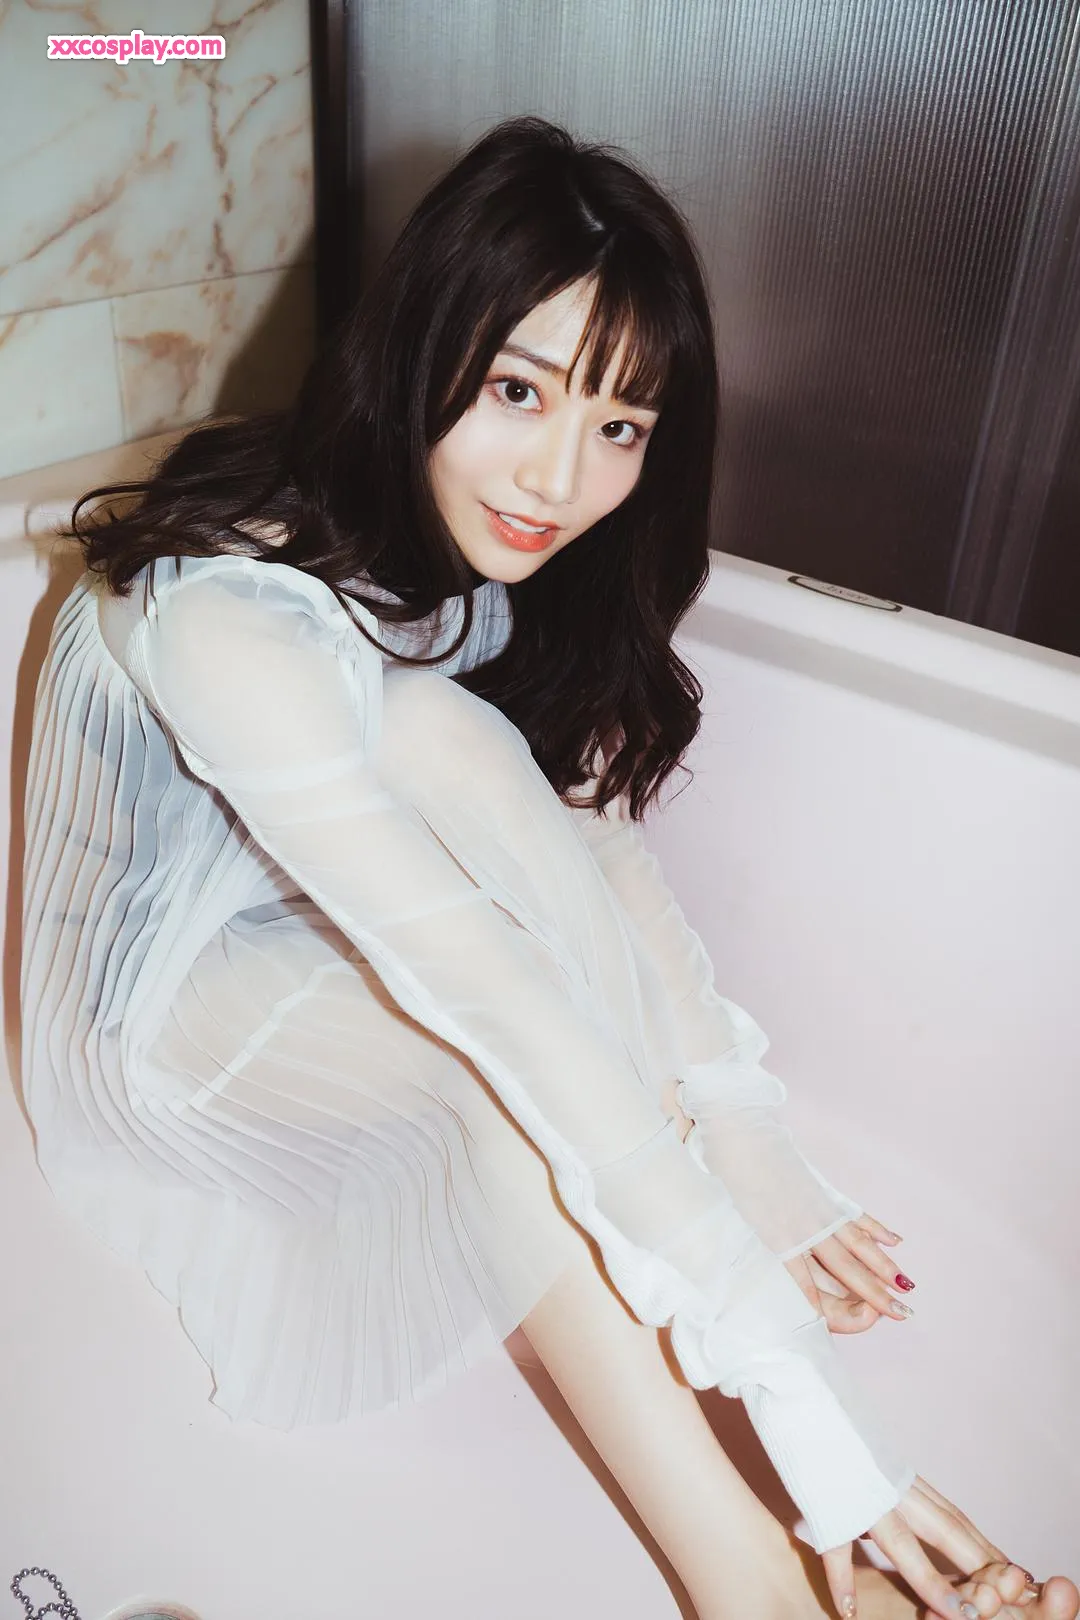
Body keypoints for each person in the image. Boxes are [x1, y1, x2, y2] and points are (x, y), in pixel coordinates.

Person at [19, 117, 1076, 1620]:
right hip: (165, 1012)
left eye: (622, 425)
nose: (562, 479)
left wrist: (740, 1139)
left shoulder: (486, 543)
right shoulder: (229, 616)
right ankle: (762, 1593)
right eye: (517, 390)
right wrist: (819, 1423)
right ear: (421, 348)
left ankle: (728, 1377)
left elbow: (582, 849)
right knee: (500, 1090)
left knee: (443, 737)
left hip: (337, 920)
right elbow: (491, 993)